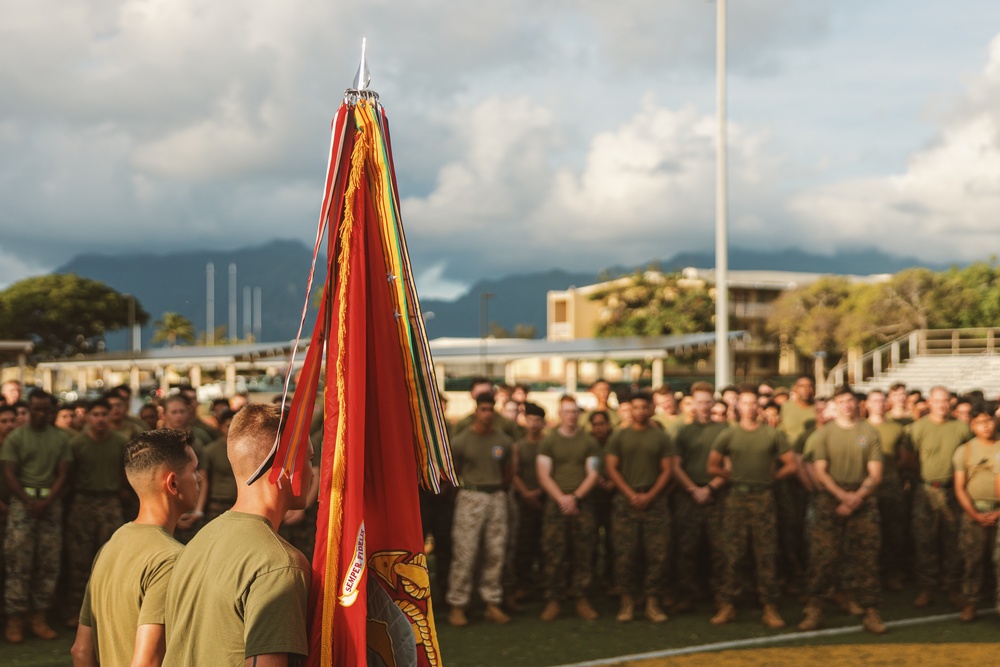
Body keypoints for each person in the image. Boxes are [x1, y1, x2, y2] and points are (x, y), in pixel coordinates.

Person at [164, 403, 311, 665]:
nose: (312, 472)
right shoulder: (279, 564)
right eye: (309, 460)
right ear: (287, 467)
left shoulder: (199, 541)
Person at [70, 429, 201, 667]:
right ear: (173, 483)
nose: (199, 478)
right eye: (194, 470)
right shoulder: (170, 559)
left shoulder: (111, 545)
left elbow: (80, 651)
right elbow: (147, 662)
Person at [797, 385, 885, 634]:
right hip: (830, 499)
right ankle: (816, 608)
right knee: (823, 556)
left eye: (850, 400)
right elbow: (820, 471)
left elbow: (875, 474)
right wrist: (843, 497)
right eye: (842, 401)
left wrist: (856, 497)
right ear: (835, 405)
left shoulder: (870, 432)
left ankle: (870, 611)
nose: (847, 405)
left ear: (858, 404)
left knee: (866, 557)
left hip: (863, 498)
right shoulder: (824, 434)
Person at [707, 387, 796, 629]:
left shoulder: (772, 434)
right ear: (738, 407)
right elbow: (712, 466)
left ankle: (769, 606)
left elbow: (791, 465)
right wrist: (734, 477)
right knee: (732, 553)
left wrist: (771, 478)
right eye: (745, 403)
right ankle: (728, 605)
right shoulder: (728, 434)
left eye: (753, 403)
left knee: (766, 553)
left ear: (759, 407)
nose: (749, 407)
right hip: (736, 497)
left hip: (764, 498)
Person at [1, 389, 72, 643]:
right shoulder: (17, 437)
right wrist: (27, 500)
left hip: (50, 504)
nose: (41, 414)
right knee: (18, 563)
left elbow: (64, 473)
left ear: (51, 411)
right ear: (29, 409)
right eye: (36, 409)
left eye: (45, 409)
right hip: (23, 504)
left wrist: (48, 501)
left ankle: (39, 617)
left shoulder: (60, 438)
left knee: (48, 563)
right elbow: (9, 473)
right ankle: (15, 619)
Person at [604, 391, 674, 623]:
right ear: (629, 410)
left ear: (651, 409)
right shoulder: (619, 436)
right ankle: (627, 602)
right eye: (635, 407)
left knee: (657, 555)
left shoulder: (661, 437)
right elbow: (611, 468)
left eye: (644, 407)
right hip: (626, 502)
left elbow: (667, 470)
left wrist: (651, 495)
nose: (640, 411)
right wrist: (630, 494)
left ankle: (652, 602)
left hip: (655, 502)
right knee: (625, 554)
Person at [446, 393, 514, 626]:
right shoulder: (462, 440)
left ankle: (491, 602)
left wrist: (498, 487)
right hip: (471, 496)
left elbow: (508, 470)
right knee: (465, 552)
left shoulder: (503, 440)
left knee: (496, 552)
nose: (487, 414)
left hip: (496, 496)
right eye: (483, 409)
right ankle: (458, 604)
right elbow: (453, 470)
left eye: (490, 409)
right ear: (476, 411)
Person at [64, 399, 129, 628]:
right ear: (87, 417)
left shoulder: (120, 441)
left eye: (104, 414)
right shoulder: (76, 443)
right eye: (95, 414)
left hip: (110, 502)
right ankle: (76, 611)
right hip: (83, 501)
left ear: (110, 416)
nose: (100, 419)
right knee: (79, 560)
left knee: (110, 558)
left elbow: (125, 471)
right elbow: (69, 474)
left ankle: (108, 610)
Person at [907, 385, 973, 608]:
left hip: (953, 491)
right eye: (937, 401)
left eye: (945, 401)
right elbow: (910, 459)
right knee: (924, 540)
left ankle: (952, 587)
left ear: (950, 403)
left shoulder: (961, 428)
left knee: (953, 540)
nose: (941, 405)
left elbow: (969, 458)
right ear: (929, 403)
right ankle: (927, 588)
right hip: (926, 491)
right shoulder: (918, 428)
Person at [536, 396, 601, 621]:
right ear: (560, 414)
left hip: (582, 504)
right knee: (554, 552)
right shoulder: (549, 441)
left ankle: (581, 598)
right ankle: (554, 599)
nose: (571, 416)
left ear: (579, 414)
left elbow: (593, 473)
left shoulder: (589, 441)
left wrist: (575, 498)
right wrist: (562, 499)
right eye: (567, 412)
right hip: (556, 504)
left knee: (584, 552)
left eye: (574, 412)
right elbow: (543, 475)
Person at [671, 382, 728, 613]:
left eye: (707, 401)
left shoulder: (725, 430)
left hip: (717, 494)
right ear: (692, 403)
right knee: (687, 549)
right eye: (699, 402)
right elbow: (675, 466)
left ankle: (721, 596)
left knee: (720, 548)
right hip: (688, 495)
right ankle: (687, 595)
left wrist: (710, 489)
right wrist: (694, 489)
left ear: (713, 403)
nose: (704, 406)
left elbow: (729, 466)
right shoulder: (683, 432)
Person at [952, 408, 1000, 622]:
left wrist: (997, 512)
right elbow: (959, 487)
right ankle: (970, 602)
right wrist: (975, 514)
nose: (986, 426)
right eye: (980, 422)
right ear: (972, 426)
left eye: (988, 420)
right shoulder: (965, 450)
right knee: (973, 560)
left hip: (998, 510)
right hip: (974, 511)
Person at [866, 389, 912, 591]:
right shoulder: (860, 427)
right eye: (874, 400)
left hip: (891, 485)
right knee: (868, 532)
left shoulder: (896, 428)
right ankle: (871, 574)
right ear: (867, 404)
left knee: (894, 531)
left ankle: (893, 573)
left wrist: (889, 471)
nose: (878, 404)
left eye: (881, 401)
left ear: (887, 404)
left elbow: (904, 458)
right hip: (866, 486)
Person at [509, 402, 547, 602]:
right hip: (524, 501)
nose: (534, 424)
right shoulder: (518, 446)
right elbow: (514, 473)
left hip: (546, 499)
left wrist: (539, 492)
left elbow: (553, 472)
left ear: (543, 423)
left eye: (538, 420)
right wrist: (526, 493)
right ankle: (524, 585)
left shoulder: (548, 444)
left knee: (547, 544)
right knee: (523, 544)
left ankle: (546, 583)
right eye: (530, 420)